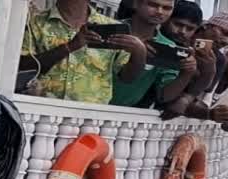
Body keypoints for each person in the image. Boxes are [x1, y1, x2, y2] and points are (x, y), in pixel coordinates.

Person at [19, 0, 148, 105]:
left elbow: (127, 77)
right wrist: (70, 46)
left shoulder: (111, 26)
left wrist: (140, 54)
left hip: (89, 117)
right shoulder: (35, 22)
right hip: (41, 110)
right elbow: (23, 66)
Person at [110, 0, 198, 108]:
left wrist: (187, 73)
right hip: (88, 103)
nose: (160, 12)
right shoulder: (110, 29)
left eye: (167, 8)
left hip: (121, 114)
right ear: (136, 4)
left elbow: (164, 96)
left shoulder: (167, 47)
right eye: (153, 5)